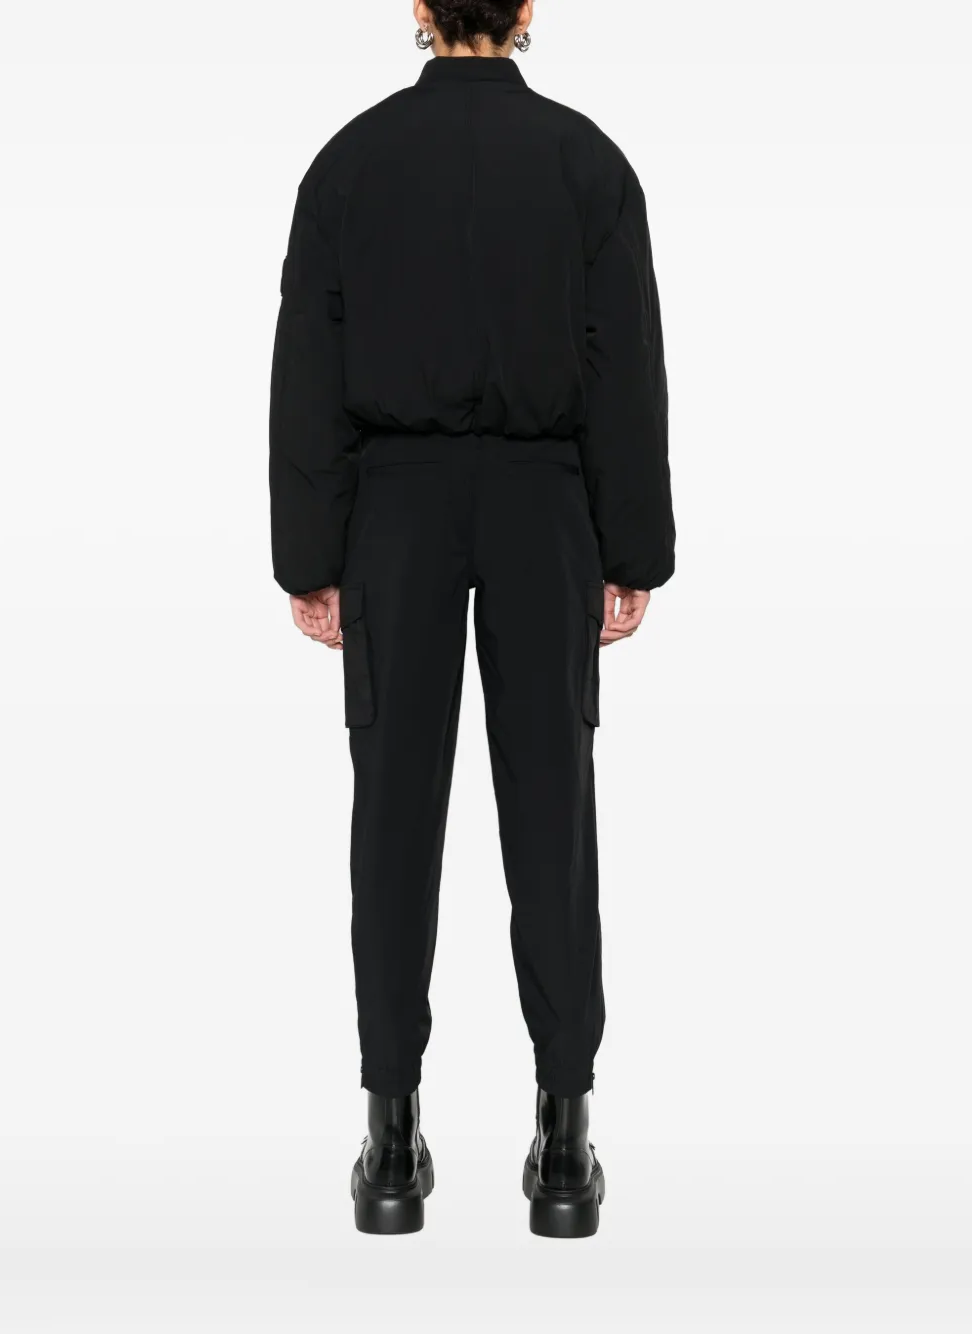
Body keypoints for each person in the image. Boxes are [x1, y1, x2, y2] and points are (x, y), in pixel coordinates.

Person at [269, 0, 675, 1238]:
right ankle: (565, 1140)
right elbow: (625, 366)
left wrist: (310, 556)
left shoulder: (350, 163)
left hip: (394, 508)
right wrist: (632, 548)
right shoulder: (586, 164)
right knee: (553, 810)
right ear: (526, 11)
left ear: (419, 10)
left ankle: (391, 1140)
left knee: (391, 811)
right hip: (544, 505)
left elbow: (308, 369)